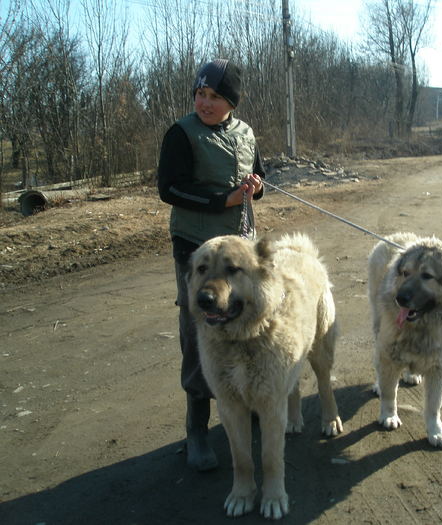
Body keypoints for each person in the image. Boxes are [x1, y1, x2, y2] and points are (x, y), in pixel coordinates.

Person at [157, 59, 265, 471]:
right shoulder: (182, 134)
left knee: (244, 328)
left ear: (231, 102)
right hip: (195, 252)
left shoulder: (246, 133)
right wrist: (223, 201)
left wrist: (255, 187)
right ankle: (197, 429)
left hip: (239, 253)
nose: (205, 102)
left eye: (215, 96)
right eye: (200, 94)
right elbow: (169, 189)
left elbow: (258, 179)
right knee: (200, 332)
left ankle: (247, 408)